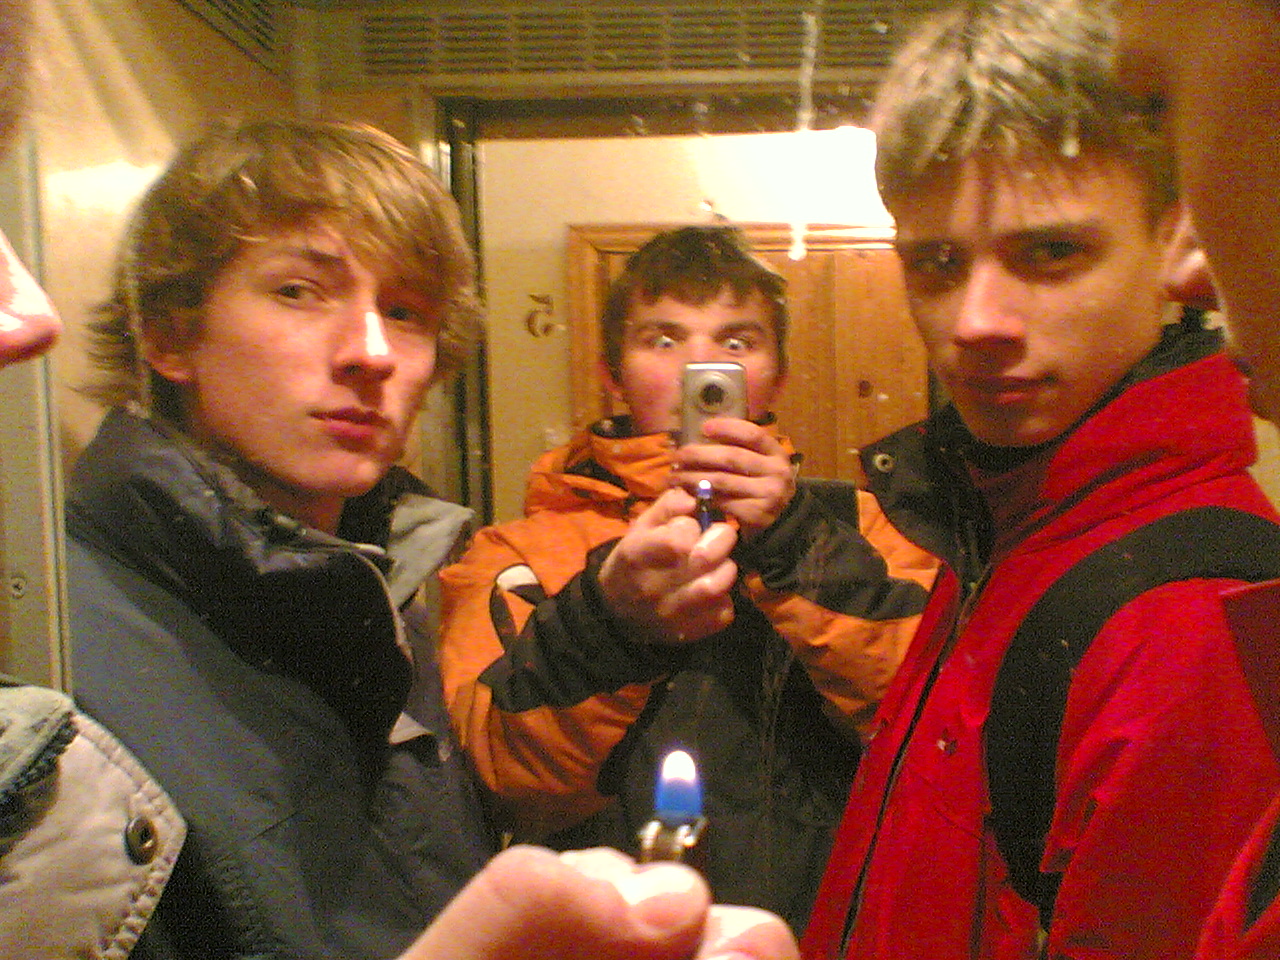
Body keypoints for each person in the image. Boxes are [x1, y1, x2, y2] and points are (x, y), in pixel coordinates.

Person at [55, 112, 798, 960]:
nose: (371, 351)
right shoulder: (57, 649)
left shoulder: (382, 595)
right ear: (168, 333)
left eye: (406, 310)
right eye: (298, 291)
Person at [799, 1, 1280, 958]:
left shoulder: (1184, 618)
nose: (976, 320)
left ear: (1176, 240)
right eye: (937, 264)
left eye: (1051, 253)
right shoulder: (1003, 523)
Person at [438, 225, 937, 932]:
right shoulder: (519, 550)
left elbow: (933, 728)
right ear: (612, 373)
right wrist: (607, 621)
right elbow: (503, 779)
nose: (699, 366)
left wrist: (793, 540)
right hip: (608, 933)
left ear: (777, 376)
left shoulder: (863, 525)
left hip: (828, 928)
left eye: (737, 341)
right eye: (664, 339)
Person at [1112, 2, 1280, 957]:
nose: (1183, 269)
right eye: (932, 260)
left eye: (1161, 105)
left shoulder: (1193, 590)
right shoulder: (975, 526)